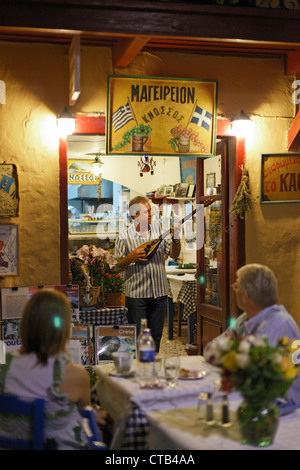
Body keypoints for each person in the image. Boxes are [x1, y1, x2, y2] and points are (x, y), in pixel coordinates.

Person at [0, 288, 112, 450]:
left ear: (25, 325)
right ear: (65, 328)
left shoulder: (4, 368)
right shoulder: (75, 375)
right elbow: (83, 411)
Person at [204, 263, 300, 405]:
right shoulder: (246, 318)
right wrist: (236, 354)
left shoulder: (278, 324)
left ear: (244, 296)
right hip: (254, 400)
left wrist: (231, 350)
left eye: (236, 287)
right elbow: (209, 350)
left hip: (282, 408)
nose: (233, 290)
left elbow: (251, 373)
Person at [115, 196, 181, 353]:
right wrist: (131, 257)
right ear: (135, 215)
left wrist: (176, 239)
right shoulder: (123, 237)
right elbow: (116, 267)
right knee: (139, 339)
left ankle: (152, 370)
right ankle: (139, 372)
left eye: (150, 211)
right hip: (137, 296)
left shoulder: (159, 232)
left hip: (159, 293)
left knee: (156, 338)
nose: (151, 215)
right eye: (146, 212)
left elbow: (174, 255)